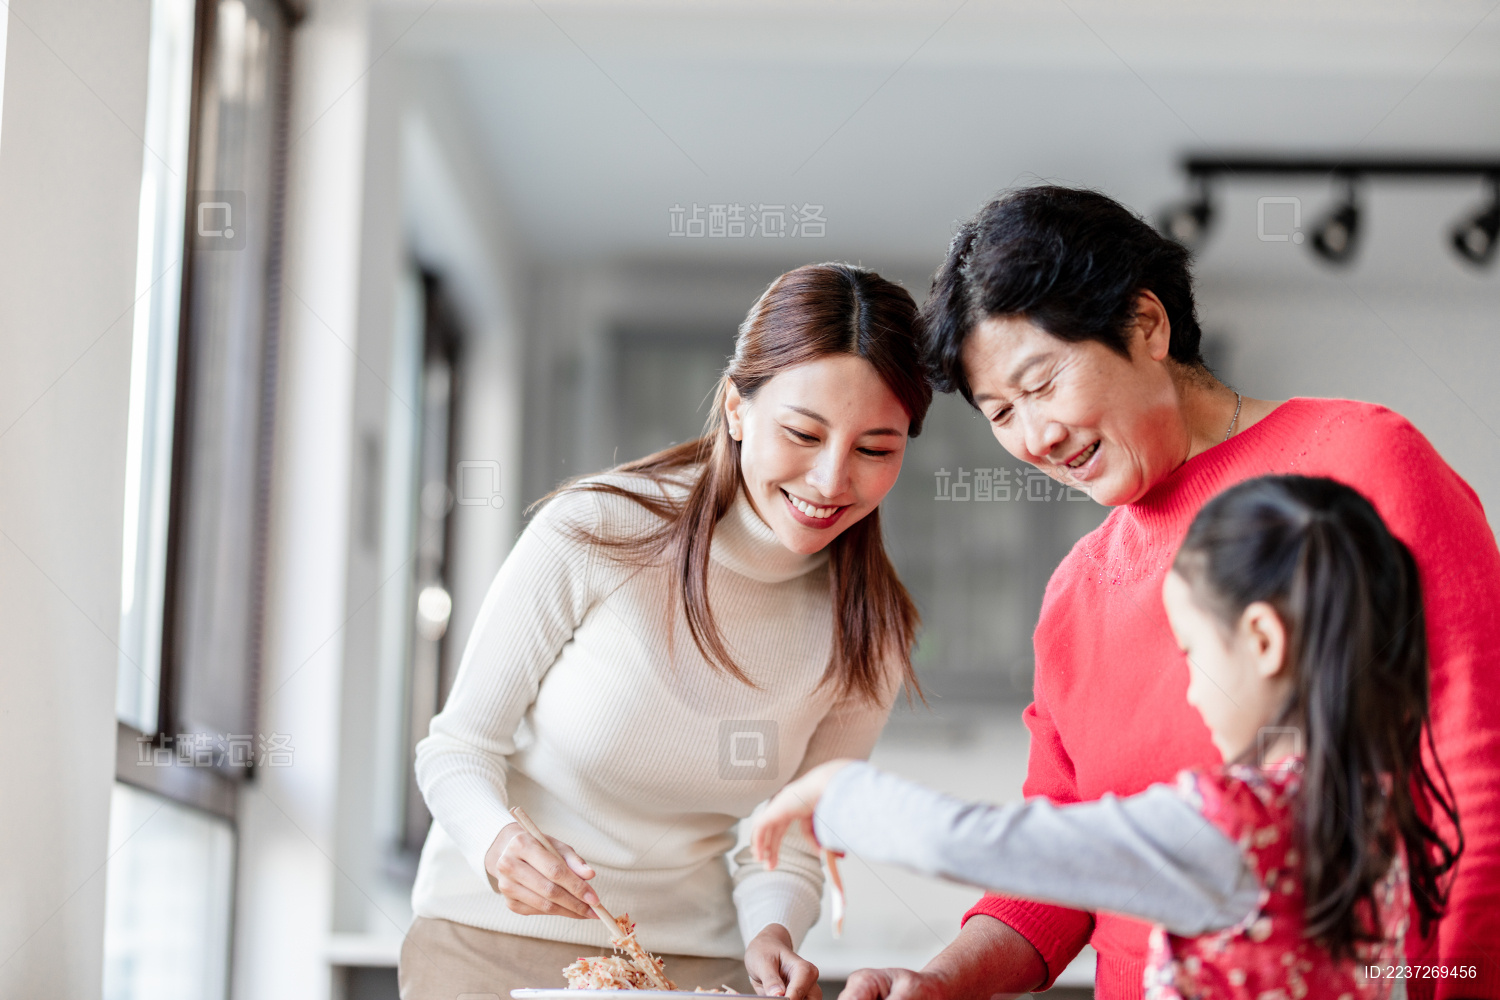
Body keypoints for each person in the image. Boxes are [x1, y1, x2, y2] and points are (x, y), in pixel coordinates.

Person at [837, 186, 1500, 1000]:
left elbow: (1476, 772)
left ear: (1146, 324)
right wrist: (939, 983)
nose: (1033, 437)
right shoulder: (1075, 593)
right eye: (1001, 413)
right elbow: (1058, 863)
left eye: (1042, 383)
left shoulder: (1360, 463)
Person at [397, 263, 932, 1000]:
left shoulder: (870, 629)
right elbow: (458, 748)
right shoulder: (599, 529)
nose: (831, 480)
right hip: (486, 946)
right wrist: (498, 845)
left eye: (876, 449)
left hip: (686, 971)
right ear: (736, 409)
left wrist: (771, 931)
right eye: (803, 433)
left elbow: (793, 833)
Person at [753, 474, 1463, 1000]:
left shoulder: (1233, 827)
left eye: (1192, 653)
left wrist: (836, 791)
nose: (1189, 687)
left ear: (1262, 640)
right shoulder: (1372, 813)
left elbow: (988, 842)